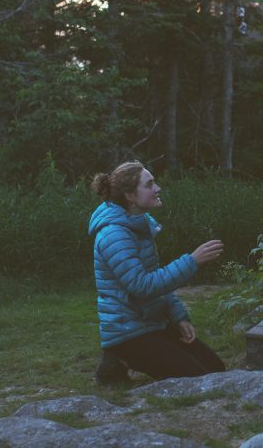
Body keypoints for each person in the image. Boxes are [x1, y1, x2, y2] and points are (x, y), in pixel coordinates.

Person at [88, 161, 226, 384]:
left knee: (216, 370)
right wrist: (191, 262)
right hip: (128, 332)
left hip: (151, 323)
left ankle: (121, 359)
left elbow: (156, 278)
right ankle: (117, 359)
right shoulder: (114, 235)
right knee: (199, 379)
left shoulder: (138, 223)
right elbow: (142, 285)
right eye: (149, 184)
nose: (158, 188)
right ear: (131, 195)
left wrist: (178, 316)